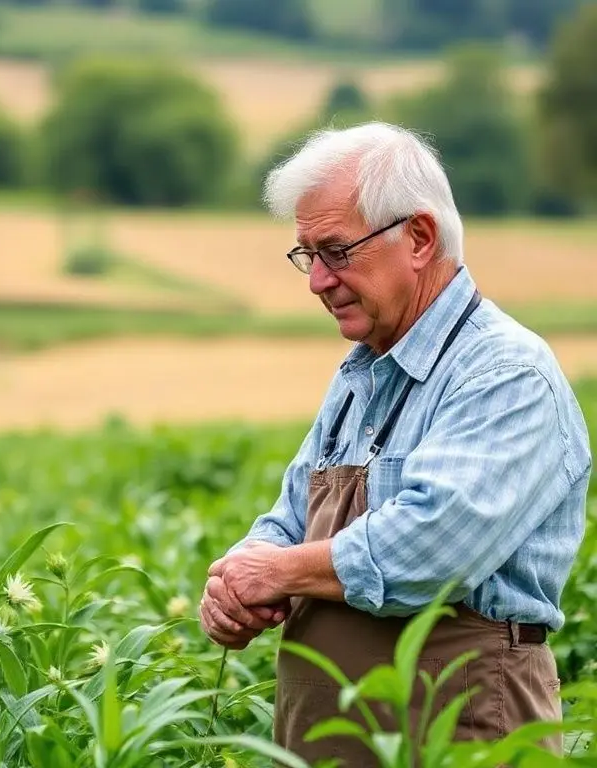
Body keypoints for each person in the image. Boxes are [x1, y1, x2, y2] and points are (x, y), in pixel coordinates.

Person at [198, 122, 592, 765]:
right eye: (307, 256)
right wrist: (239, 579)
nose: (317, 282)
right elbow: (290, 515)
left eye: (335, 252)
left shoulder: (504, 374)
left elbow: (430, 548)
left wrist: (274, 572)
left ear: (418, 237)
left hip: (457, 737)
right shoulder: (361, 373)